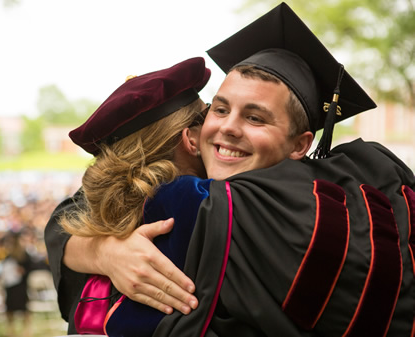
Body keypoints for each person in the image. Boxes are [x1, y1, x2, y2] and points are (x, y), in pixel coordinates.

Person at [47, 3, 414, 336]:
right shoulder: (185, 195)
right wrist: (104, 252)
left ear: (301, 145)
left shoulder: (231, 207)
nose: (228, 127)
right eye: (219, 110)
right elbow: (69, 216)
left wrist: (97, 250)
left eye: (255, 117)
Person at [45, 56, 211, 334]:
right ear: (190, 138)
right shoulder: (206, 206)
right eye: (211, 114)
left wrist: (102, 250)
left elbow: (58, 226)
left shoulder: (103, 209)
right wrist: (104, 253)